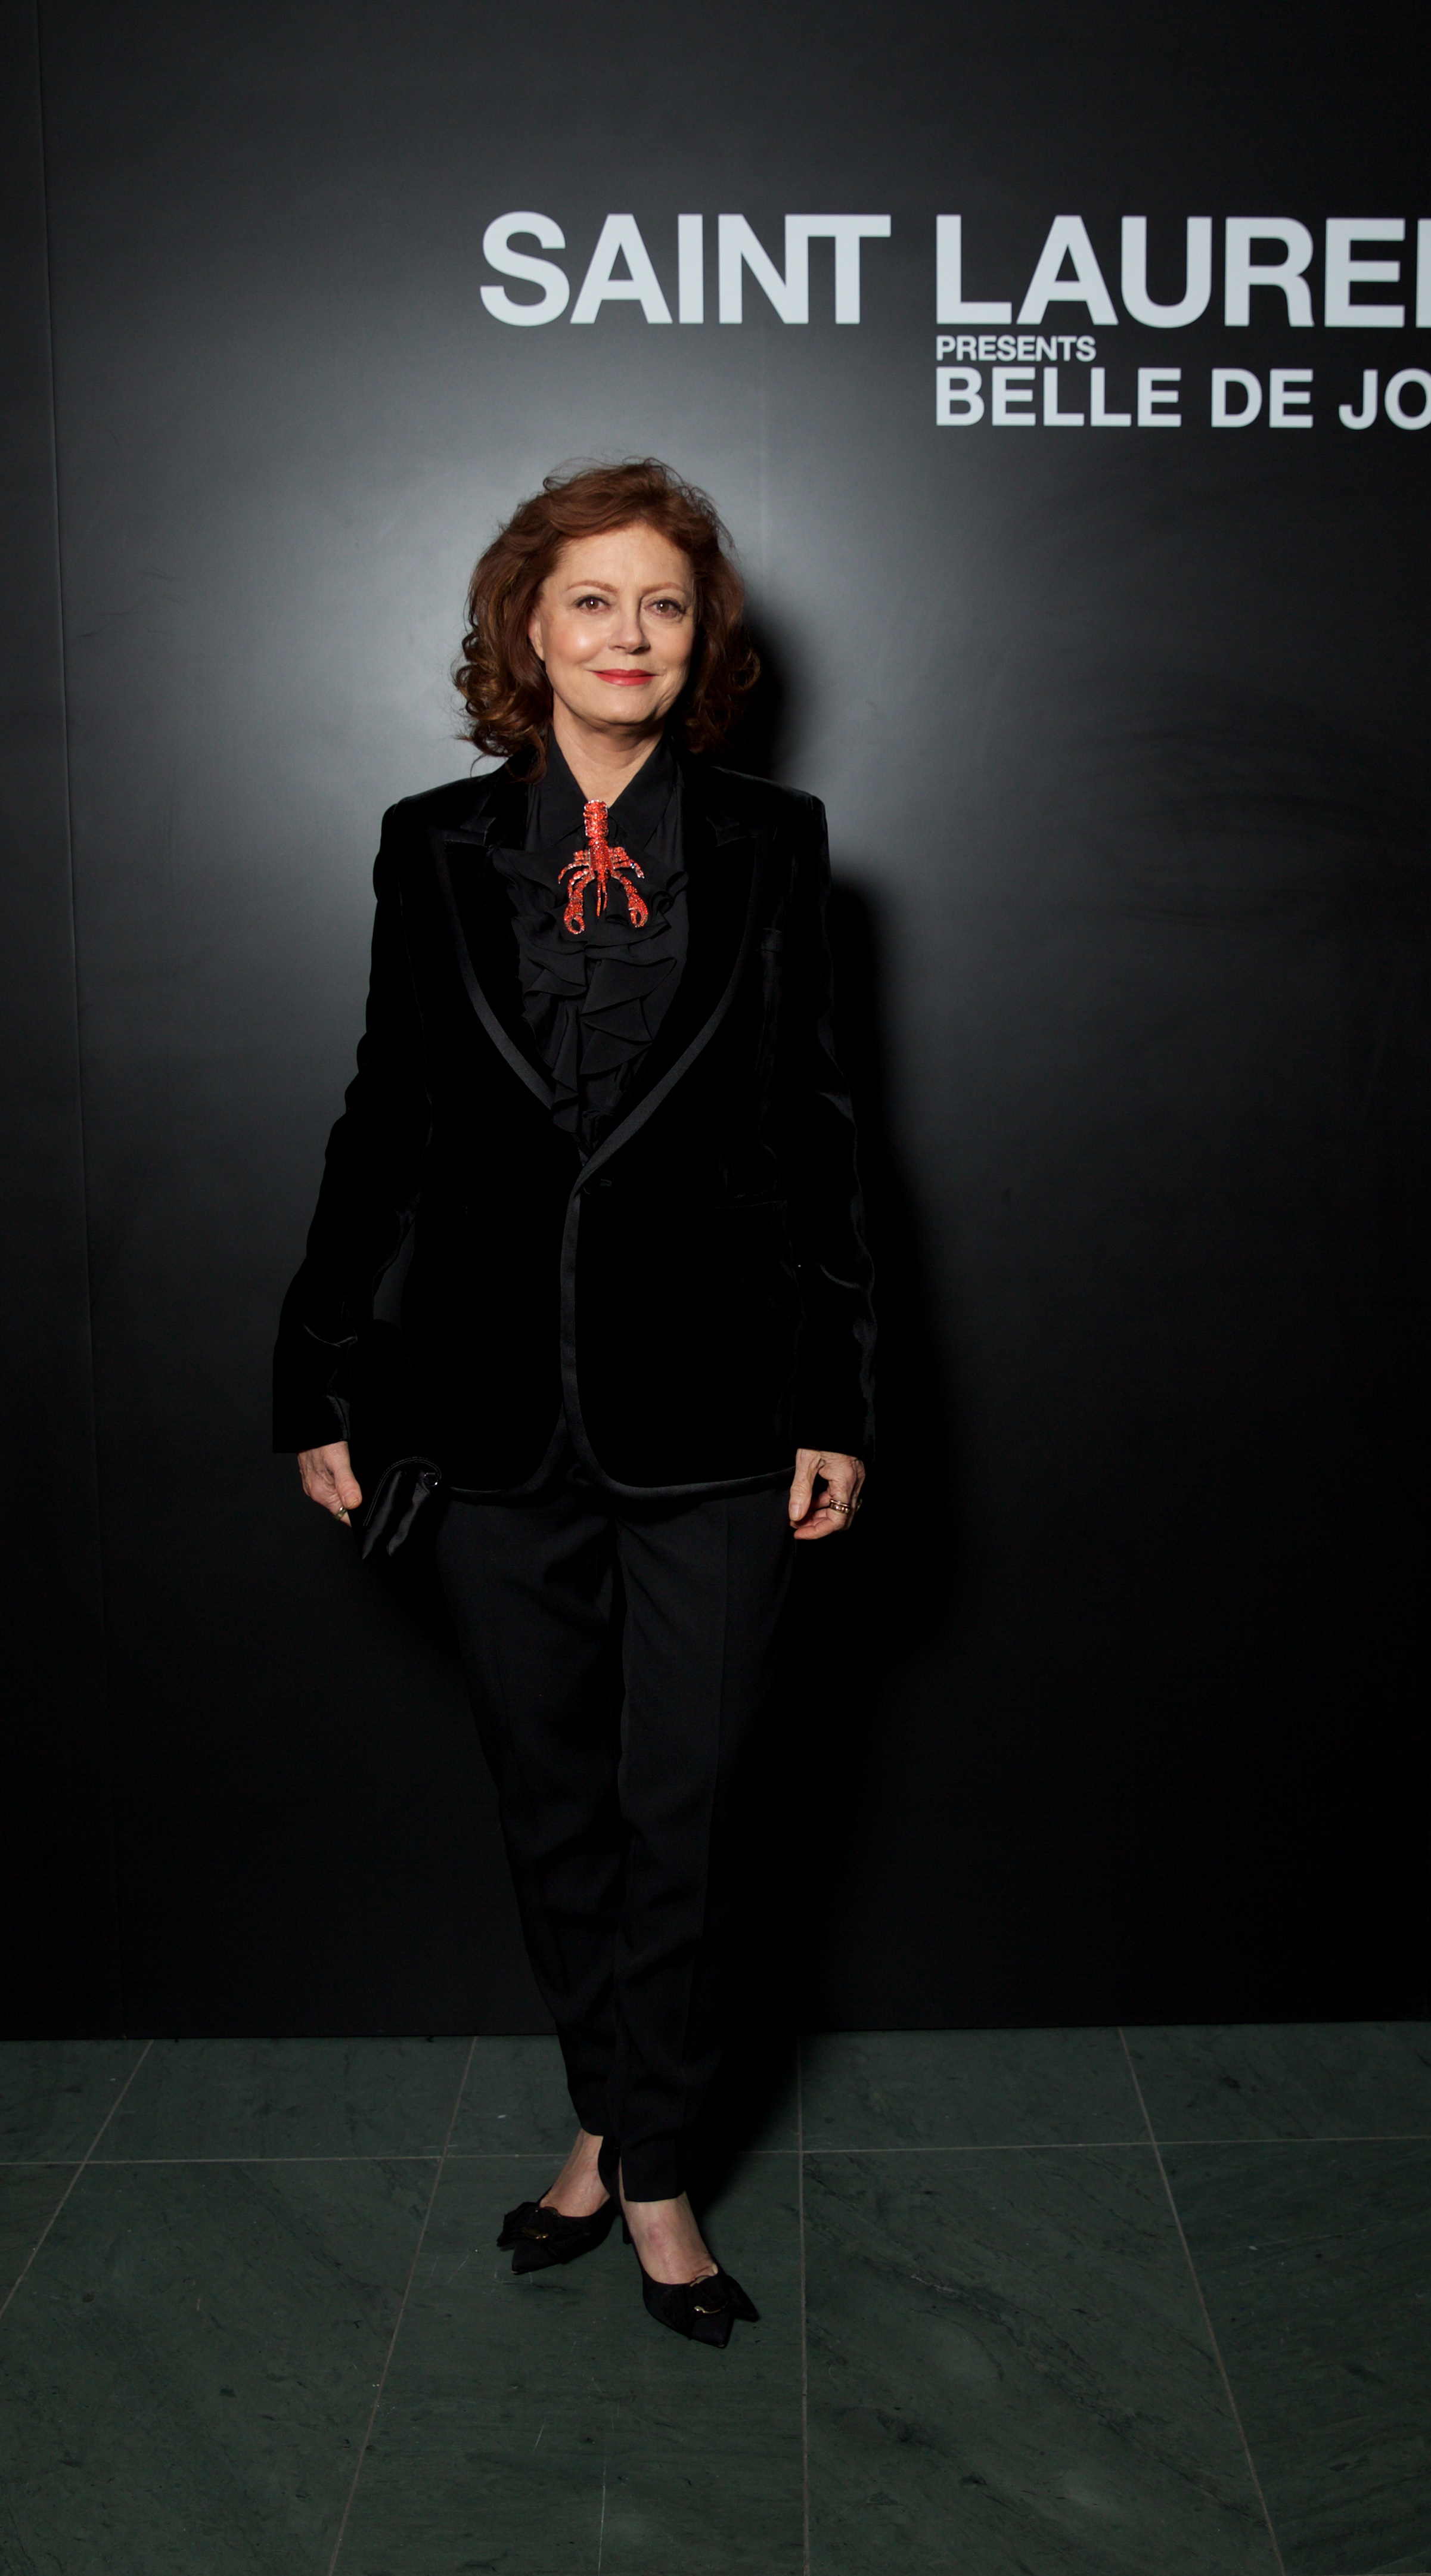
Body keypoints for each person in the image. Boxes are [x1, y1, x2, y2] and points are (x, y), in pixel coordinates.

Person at [273, 458, 876, 2347]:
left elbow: (821, 1139)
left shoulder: (774, 842)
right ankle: (605, 2119)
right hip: (486, 1414)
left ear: (703, 643)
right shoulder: (432, 844)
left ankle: (660, 2160)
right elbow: (387, 1118)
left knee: (689, 1804)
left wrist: (839, 1398)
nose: (630, 634)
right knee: (552, 1801)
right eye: (594, 600)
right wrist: (318, 1367)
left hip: (718, 1414)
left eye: (665, 605)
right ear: (526, 630)